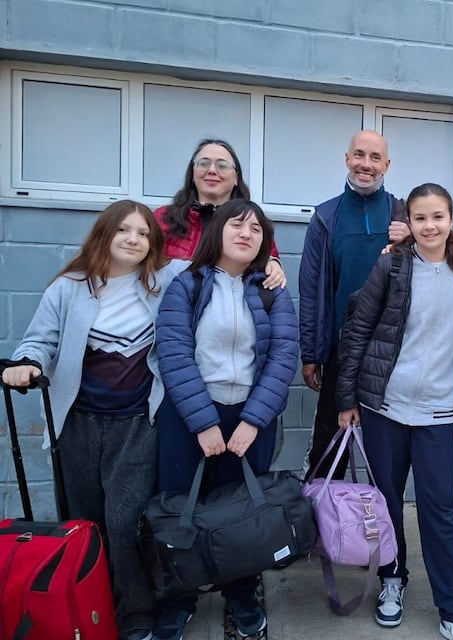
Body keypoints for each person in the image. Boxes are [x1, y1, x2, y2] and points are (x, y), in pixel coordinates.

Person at [1, 200, 186, 640]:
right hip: (78, 423)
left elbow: (220, 260)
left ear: (153, 243)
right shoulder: (69, 287)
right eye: (124, 230)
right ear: (104, 234)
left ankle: (138, 614)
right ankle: (87, 605)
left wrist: (269, 268)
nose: (134, 240)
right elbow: (38, 339)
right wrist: (26, 363)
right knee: (84, 520)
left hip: (137, 423)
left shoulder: (165, 279)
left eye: (143, 233)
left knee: (125, 524)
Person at [335, 183, 453, 640]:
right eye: (420, 218)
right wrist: (347, 400)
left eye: (438, 217)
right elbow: (358, 329)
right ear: (409, 222)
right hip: (385, 405)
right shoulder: (392, 265)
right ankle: (392, 580)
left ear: (451, 218)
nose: (430, 226)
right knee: (384, 502)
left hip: (438, 411)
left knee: (439, 510)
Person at [151, 199, 299, 640]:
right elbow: (174, 355)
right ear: (217, 233)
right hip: (190, 416)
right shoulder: (186, 285)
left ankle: (241, 596)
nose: (246, 233)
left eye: (256, 229)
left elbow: (283, 357)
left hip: (252, 418)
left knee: (242, 516)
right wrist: (203, 422)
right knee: (184, 508)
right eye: (237, 224)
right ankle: (179, 600)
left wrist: (253, 421)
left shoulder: (272, 291)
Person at [299, 129, 409, 482]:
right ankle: (320, 530)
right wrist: (311, 353)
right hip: (340, 353)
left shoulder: (404, 214)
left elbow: (441, 256)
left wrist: (411, 239)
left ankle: (379, 529)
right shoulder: (325, 216)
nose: (366, 164)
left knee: (383, 455)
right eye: (359, 155)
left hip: (392, 355)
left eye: (375, 158)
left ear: (387, 165)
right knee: (328, 450)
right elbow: (312, 290)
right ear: (347, 158)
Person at [153, 138, 286, 288]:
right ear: (192, 173)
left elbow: (268, 264)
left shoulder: (254, 221)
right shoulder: (163, 218)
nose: (212, 170)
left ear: (236, 177)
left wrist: (273, 262)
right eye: (203, 163)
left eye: (222, 165)